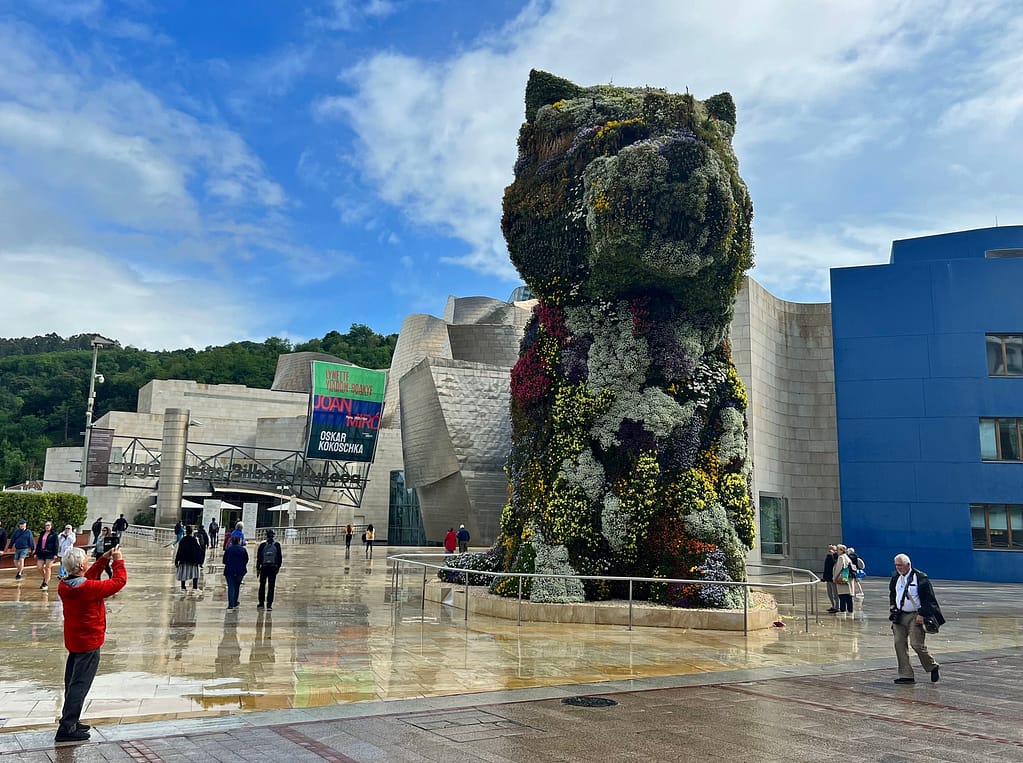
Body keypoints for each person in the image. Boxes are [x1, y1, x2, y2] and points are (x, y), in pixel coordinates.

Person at [55, 544, 126, 743]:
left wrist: (103, 559)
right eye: (86, 561)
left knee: (71, 682)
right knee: (80, 685)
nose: (87, 562)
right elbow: (119, 581)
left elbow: (88, 578)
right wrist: (118, 560)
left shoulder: (65, 585)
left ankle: (70, 720)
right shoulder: (87, 589)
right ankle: (67, 727)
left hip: (75, 640)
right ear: (80, 567)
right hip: (89, 641)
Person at [889, 553, 944, 684]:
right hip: (899, 615)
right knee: (899, 643)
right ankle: (906, 675)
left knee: (916, 644)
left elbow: (928, 599)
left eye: (900, 565)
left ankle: (932, 665)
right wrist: (892, 605)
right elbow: (892, 592)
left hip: (915, 615)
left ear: (908, 565)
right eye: (896, 565)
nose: (898, 568)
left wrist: (922, 614)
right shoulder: (895, 577)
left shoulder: (920, 577)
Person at [256, 529, 282, 611]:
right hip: (273, 567)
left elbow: (259, 558)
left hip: (264, 567)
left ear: (266, 536)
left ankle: (261, 603)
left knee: (262, 585)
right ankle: (269, 605)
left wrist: (258, 568)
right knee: (271, 586)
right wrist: (278, 567)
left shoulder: (262, 545)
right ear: (273, 536)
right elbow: (280, 558)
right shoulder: (277, 545)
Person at [174, 525, 204, 591]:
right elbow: (198, 551)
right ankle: (195, 587)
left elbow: (179, 550)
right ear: (191, 532)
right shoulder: (194, 540)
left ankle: (183, 586)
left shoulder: (183, 540)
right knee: (195, 574)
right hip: (193, 561)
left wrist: (176, 561)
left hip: (184, 560)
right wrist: (200, 561)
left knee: (183, 574)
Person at [223, 535, 248, 610]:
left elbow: (224, 561)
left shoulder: (228, 550)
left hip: (229, 570)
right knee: (237, 586)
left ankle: (230, 604)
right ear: (239, 541)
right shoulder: (243, 550)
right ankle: (235, 602)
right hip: (240, 571)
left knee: (231, 586)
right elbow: (246, 560)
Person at [35, 520, 59, 590]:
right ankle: (45, 577)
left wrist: (55, 553)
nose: (47, 527)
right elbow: (39, 543)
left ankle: (45, 583)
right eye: (46, 525)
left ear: (51, 526)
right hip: (41, 552)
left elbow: (56, 544)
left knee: (48, 568)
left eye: (48, 525)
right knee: (39, 567)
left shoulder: (54, 534)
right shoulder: (42, 533)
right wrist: (36, 552)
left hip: (50, 553)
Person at [832, 544, 855, 614]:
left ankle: (843, 611)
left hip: (842, 579)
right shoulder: (847, 557)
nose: (836, 551)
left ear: (842, 550)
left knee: (842, 596)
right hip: (849, 579)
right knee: (849, 596)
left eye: (838, 550)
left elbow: (838, 568)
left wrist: (834, 577)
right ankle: (850, 611)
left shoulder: (841, 557)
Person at [822, 544, 839, 613]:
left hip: (833, 577)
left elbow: (835, 565)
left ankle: (837, 607)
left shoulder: (836, 557)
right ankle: (833, 605)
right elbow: (826, 567)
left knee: (835, 593)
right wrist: (824, 577)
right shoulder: (828, 556)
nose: (830, 550)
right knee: (829, 593)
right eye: (829, 548)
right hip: (828, 577)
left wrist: (832, 554)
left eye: (832, 549)